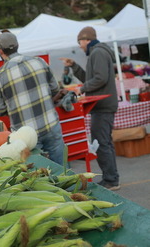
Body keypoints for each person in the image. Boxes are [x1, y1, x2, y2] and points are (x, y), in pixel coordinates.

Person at [0, 30, 65, 166]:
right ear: (17, 45)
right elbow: (55, 90)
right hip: (50, 125)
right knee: (62, 171)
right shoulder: (39, 62)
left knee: (40, 179)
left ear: (0, 51)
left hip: (24, 136)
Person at [60, 26, 120, 191]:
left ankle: (111, 180)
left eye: (80, 42)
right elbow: (91, 78)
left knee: (102, 142)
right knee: (104, 141)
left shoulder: (98, 52)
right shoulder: (97, 52)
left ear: (86, 39)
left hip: (103, 106)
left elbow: (100, 79)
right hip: (102, 105)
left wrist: (82, 88)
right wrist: (74, 66)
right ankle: (111, 178)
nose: (80, 46)